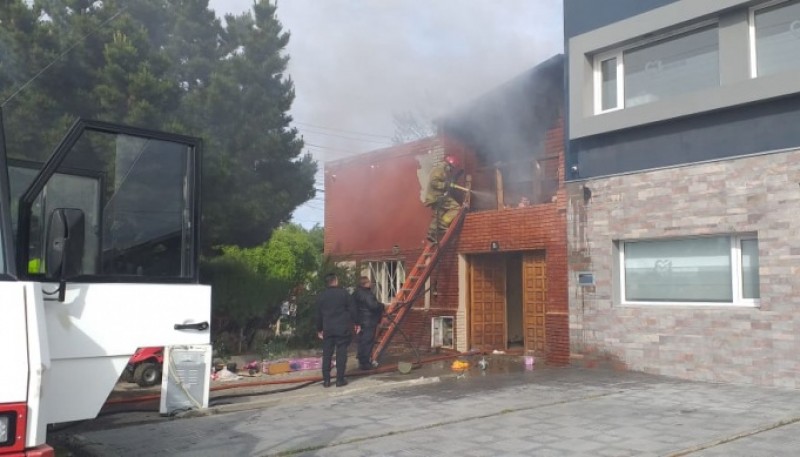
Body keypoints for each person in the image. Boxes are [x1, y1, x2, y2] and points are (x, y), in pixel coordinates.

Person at [316, 273, 359, 387]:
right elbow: (353, 309)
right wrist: (357, 323)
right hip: (341, 328)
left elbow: (318, 315)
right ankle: (340, 379)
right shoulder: (344, 294)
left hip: (328, 329)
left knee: (327, 354)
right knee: (341, 354)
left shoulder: (322, 296)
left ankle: (326, 380)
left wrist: (319, 329)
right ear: (335, 281)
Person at [424, 154, 464, 244]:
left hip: (435, 197)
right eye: (452, 168)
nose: (451, 170)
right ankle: (442, 225)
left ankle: (431, 234)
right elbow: (434, 183)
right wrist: (445, 185)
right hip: (437, 196)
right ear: (448, 165)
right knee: (456, 208)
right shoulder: (439, 170)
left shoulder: (443, 171)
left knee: (439, 214)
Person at [352, 276, 385, 370]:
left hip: (360, 321)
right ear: (365, 284)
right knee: (368, 341)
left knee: (362, 341)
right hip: (369, 321)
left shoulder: (356, 293)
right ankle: (365, 363)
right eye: (369, 282)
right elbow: (373, 306)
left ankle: (361, 359)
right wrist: (381, 306)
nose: (370, 283)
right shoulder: (367, 294)